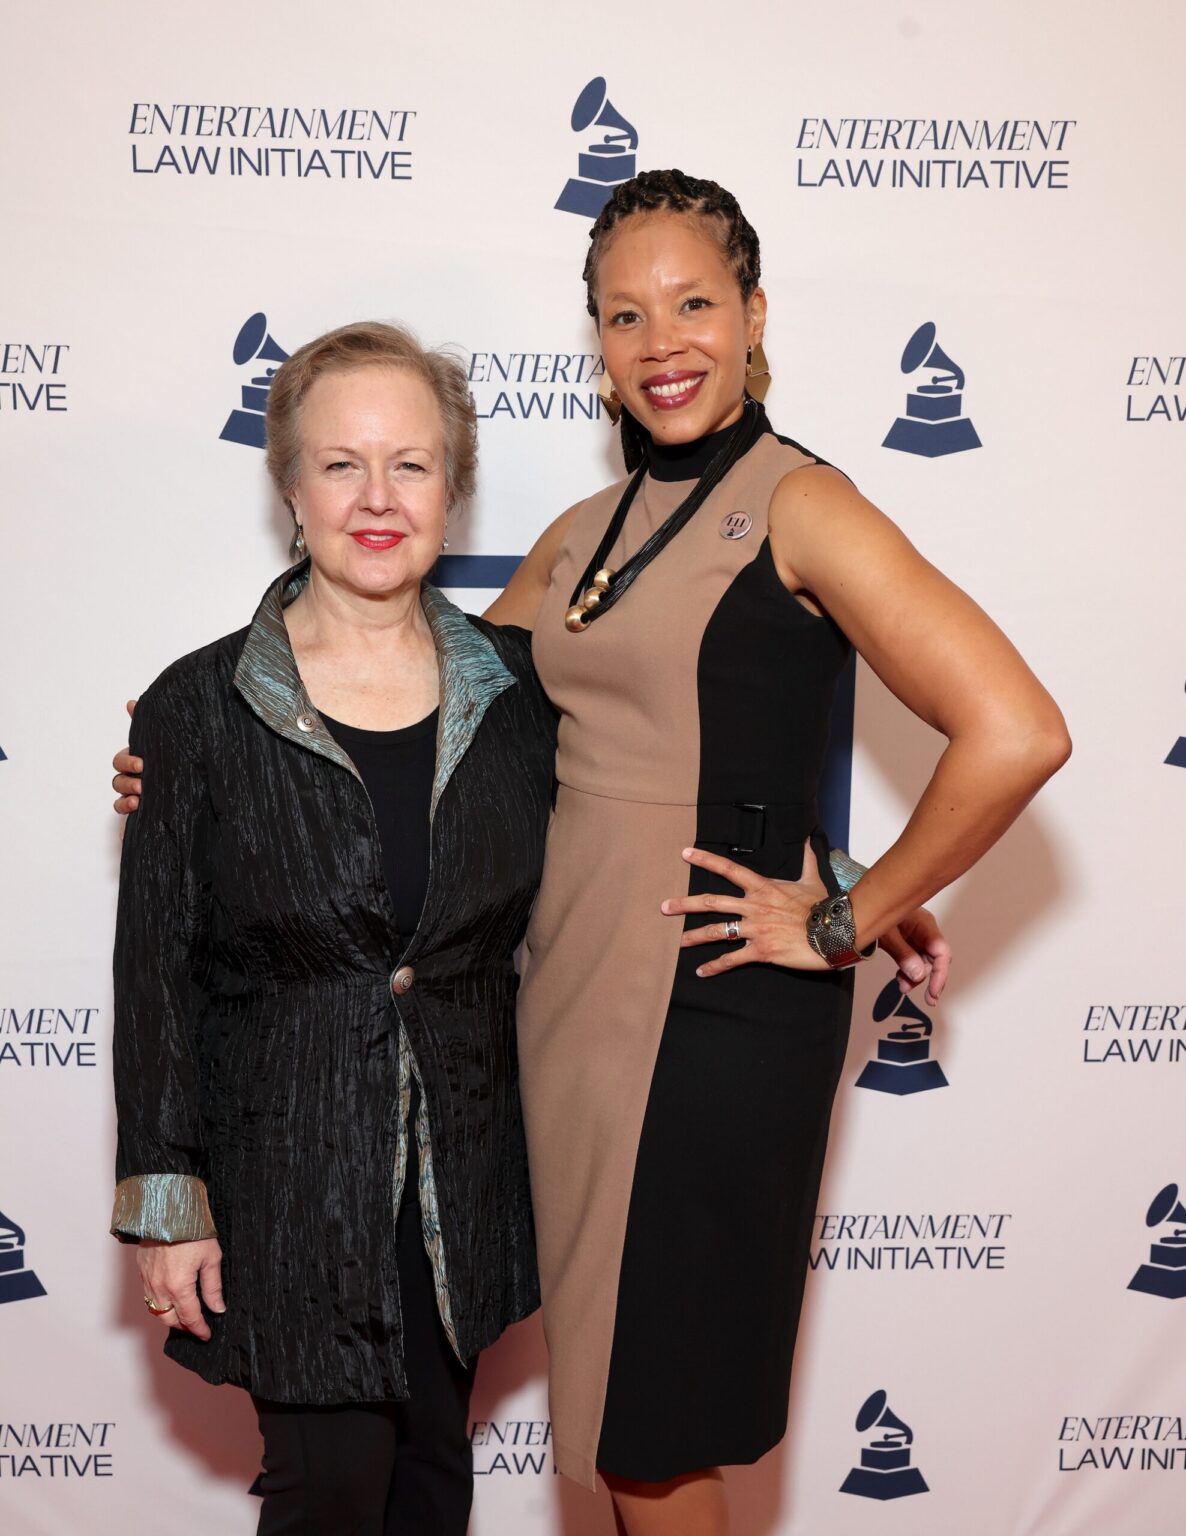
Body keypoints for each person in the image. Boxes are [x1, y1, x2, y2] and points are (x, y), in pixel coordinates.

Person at [476, 169, 1070, 1536]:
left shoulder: (802, 504)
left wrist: (846, 912)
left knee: (656, 1428)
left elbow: (1015, 729)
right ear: (597, 347)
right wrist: (215, 728)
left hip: (707, 1011)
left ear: (752, 315)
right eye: (623, 316)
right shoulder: (587, 536)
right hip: (574, 1010)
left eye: (693, 302)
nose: (660, 340)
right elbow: (429, 699)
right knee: (628, 1424)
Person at [109, 321, 557, 1536]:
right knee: (329, 1497)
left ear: (451, 488)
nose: (376, 498)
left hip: (461, 1177)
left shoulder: (520, 697)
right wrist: (167, 1198)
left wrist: (850, 890)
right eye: (340, 463)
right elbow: (153, 967)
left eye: (410, 464)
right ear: (288, 486)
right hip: (286, 1177)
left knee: (430, 1490)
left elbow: (653, 807)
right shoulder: (198, 706)